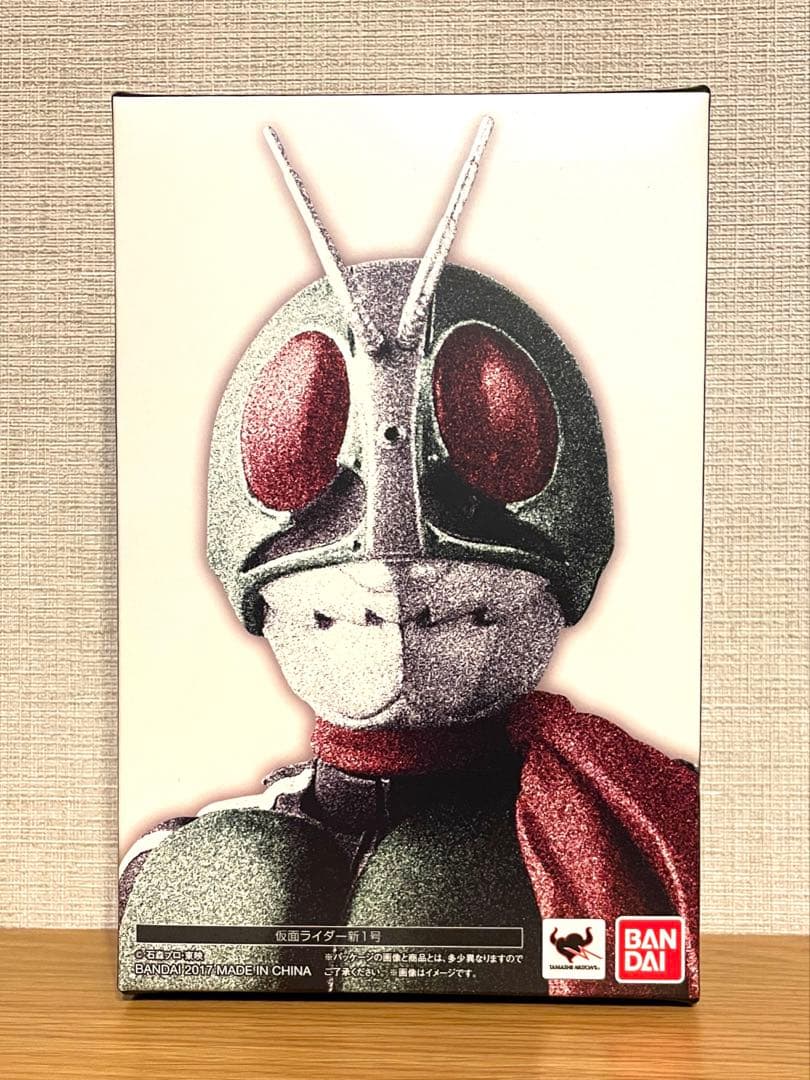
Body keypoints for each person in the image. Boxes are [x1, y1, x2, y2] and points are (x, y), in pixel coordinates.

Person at [119, 118, 698, 999]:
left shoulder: (627, 827)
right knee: (228, 881)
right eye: (336, 612)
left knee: (439, 887)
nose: (391, 593)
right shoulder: (187, 858)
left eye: (464, 610)